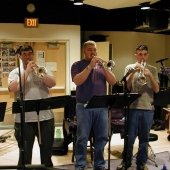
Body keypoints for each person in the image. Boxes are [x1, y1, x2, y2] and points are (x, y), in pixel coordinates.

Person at [8, 44, 56, 168]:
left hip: (45, 118)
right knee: (25, 155)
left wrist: (40, 73)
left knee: (47, 152)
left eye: (30, 54)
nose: (27, 57)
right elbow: (13, 88)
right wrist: (27, 71)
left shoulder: (42, 69)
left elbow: (52, 83)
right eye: (24, 54)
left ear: (33, 55)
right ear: (20, 56)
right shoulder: (15, 72)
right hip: (24, 119)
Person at [71, 40, 117, 170]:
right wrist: (90, 66)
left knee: (102, 137)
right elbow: (77, 81)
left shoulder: (101, 66)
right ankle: (80, 165)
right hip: (83, 106)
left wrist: (104, 68)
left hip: (101, 107)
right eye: (90, 49)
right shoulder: (77, 65)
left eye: (94, 49)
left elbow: (113, 81)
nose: (93, 52)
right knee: (82, 137)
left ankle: (99, 164)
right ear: (84, 51)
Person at [117, 44, 159, 170]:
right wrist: (134, 71)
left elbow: (156, 90)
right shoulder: (129, 67)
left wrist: (149, 76)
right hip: (133, 107)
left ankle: (141, 163)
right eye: (140, 54)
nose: (142, 57)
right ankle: (126, 162)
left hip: (147, 108)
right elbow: (128, 88)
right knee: (129, 137)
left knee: (144, 139)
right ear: (136, 55)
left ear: (148, 55)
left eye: (145, 54)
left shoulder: (153, 69)